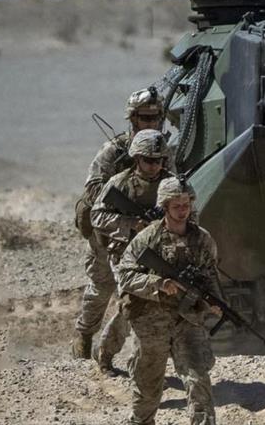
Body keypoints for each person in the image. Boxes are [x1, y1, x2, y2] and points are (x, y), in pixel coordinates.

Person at [115, 177, 221, 425]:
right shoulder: (147, 238)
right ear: (165, 207)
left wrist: (214, 303)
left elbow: (210, 276)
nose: (183, 211)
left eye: (186, 205)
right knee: (148, 386)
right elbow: (125, 275)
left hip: (188, 320)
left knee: (198, 380)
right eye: (177, 206)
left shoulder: (202, 239)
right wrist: (158, 284)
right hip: (151, 321)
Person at [72, 86, 167, 359]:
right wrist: (126, 197)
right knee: (101, 288)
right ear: (133, 118)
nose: (151, 123)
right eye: (145, 118)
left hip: (146, 233)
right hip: (110, 229)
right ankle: (84, 335)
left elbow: (170, 183)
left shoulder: (162, 150)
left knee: (141, 289)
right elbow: (93, 189)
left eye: (155, 117)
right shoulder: (114, 151)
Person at [89, 129, 172, 376]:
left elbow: (190, 214)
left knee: (158, 305)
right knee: (132, 303)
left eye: (158, 160)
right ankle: (108, 353)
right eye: (148, 160)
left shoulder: (171, 184)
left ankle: (144, 361)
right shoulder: (120, 183)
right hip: (126, 254)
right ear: (136, 158)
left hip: (161, 254)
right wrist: (132, 224)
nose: (154, 166)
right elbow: (97, 216)